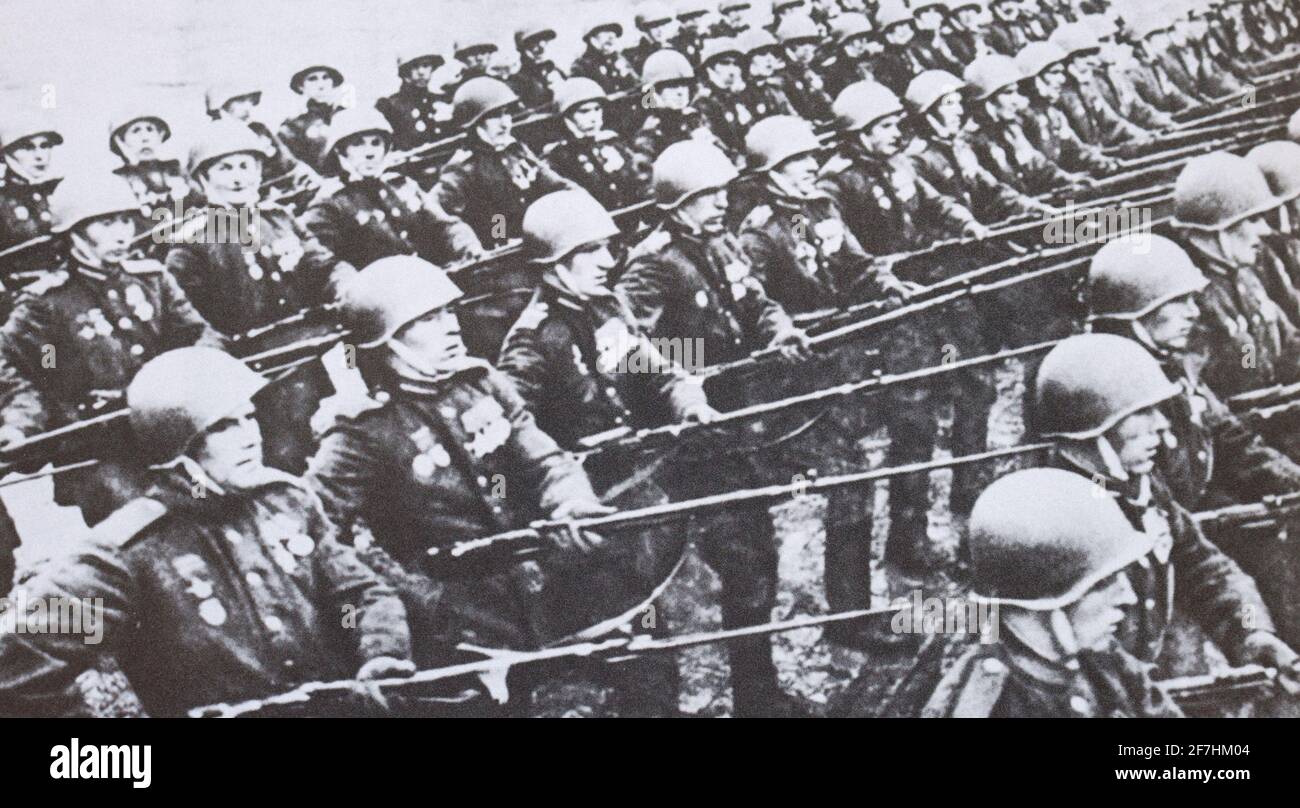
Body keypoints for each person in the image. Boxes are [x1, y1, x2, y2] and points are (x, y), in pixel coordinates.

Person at [0, 347, 413, 717]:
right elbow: (19, 666)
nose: (250, 436)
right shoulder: (129, 550)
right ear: (181, 447)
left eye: (250, 417)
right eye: (223, 426)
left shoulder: (285, 501)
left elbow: (357, 593)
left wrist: (379, 655)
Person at [306, 256, 614, 680]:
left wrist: (572, 502)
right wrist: (409, 592)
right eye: (428, 320)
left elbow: (543, 458)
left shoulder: (479, 382)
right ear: (386, 339)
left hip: (519, 586)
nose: (452, 327)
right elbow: (315, 530)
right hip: (445, 617)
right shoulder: (362, 431)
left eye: (449, 312)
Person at [498, 190, 721, 715]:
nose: (607, 261)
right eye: (590, 251)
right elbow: (514, 440)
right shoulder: (531, 343)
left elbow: (653, 368)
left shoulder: (604, 309)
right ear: (553, 264)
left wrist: (687, 400)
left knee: (646, 628)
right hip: (583, 518)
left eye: (608, 248)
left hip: (626, 498)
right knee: (632, 647)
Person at [616, 140, 811, 715]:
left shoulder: (719, 240)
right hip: (688, 445)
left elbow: (755, 301)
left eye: (722, 193)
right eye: (705, 198)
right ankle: (747, 698)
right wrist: (690, 373)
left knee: (758, 558)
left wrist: (779, 330)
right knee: (742, 563)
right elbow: (629, 351)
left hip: (729, 425)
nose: (719, 204)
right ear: (675, 207)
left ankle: (758, 691)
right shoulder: (651, 265)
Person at [1033, 334, 1300, 683]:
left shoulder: (1139, 485)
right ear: (1095, 424)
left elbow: (1204, 565)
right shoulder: (1051, 522)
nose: (1161, 424)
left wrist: (1252, 632)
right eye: (1142, 411)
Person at [0, 172, 222, 527]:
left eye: (124, 220)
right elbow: (18, 366)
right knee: (140, 530)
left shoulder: (152, 279)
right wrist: (30, 416)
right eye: (106, 223)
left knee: (205, 505)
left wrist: (192, 375)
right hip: (100, 448)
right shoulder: (47, 302)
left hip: (168, 433)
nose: (122, 233)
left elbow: (196, 335)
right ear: (74, 232)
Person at [917, 468, 1184, 718]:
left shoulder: (1104, 662)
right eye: (1102, 584)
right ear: (1043, 602)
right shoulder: (992, 702)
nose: (1128, 597)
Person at [541, 78, 651, 211]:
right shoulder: (560, 156)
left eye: (597, 109)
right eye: (584, 111)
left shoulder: (612, 141)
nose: (594, 118)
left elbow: (640, 180)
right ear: (567, 116)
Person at [278, 63, 346, 172]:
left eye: (326, 77)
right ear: (301, 87)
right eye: (312, 79)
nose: (321, 84)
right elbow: (292, 165)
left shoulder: (348, 116)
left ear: (333, 83)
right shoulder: (293, 127)